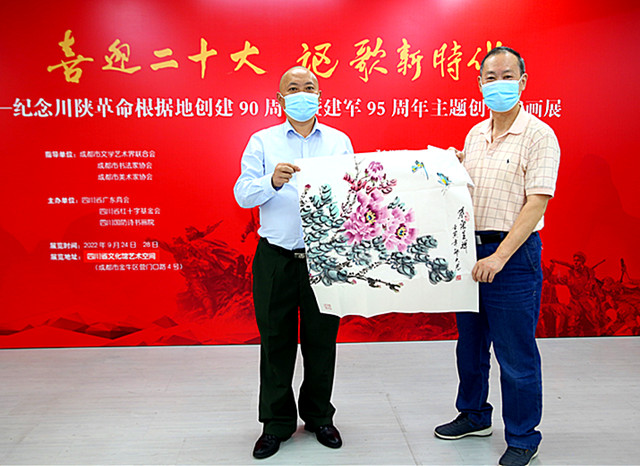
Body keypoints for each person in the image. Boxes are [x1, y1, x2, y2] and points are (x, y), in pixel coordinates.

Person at [434, 47, 560, 466]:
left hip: (512, 256)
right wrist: (451, 167)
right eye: (490, 77)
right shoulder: (475, 134)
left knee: (515, 353)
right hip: (470, 252)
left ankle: (523, 436)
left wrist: (500, 257)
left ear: (523, 82)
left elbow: (536, 203)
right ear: (479, 84)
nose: (498, 84)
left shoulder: (539, 135)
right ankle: (473, 414)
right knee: (470, 346)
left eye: (507, 76)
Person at [233, 66, 354, 460]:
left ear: (320, 95)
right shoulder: (262, 141)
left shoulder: (338, 142)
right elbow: (242, 194)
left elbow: (354, 193)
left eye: (309, 87)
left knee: (322, 341)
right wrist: (272, 181)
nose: (303, 94)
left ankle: (319, 416)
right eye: (294, 88)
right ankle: (276, 423)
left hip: (325, 257)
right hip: (276, 257)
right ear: (280, 98)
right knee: (276, 342)